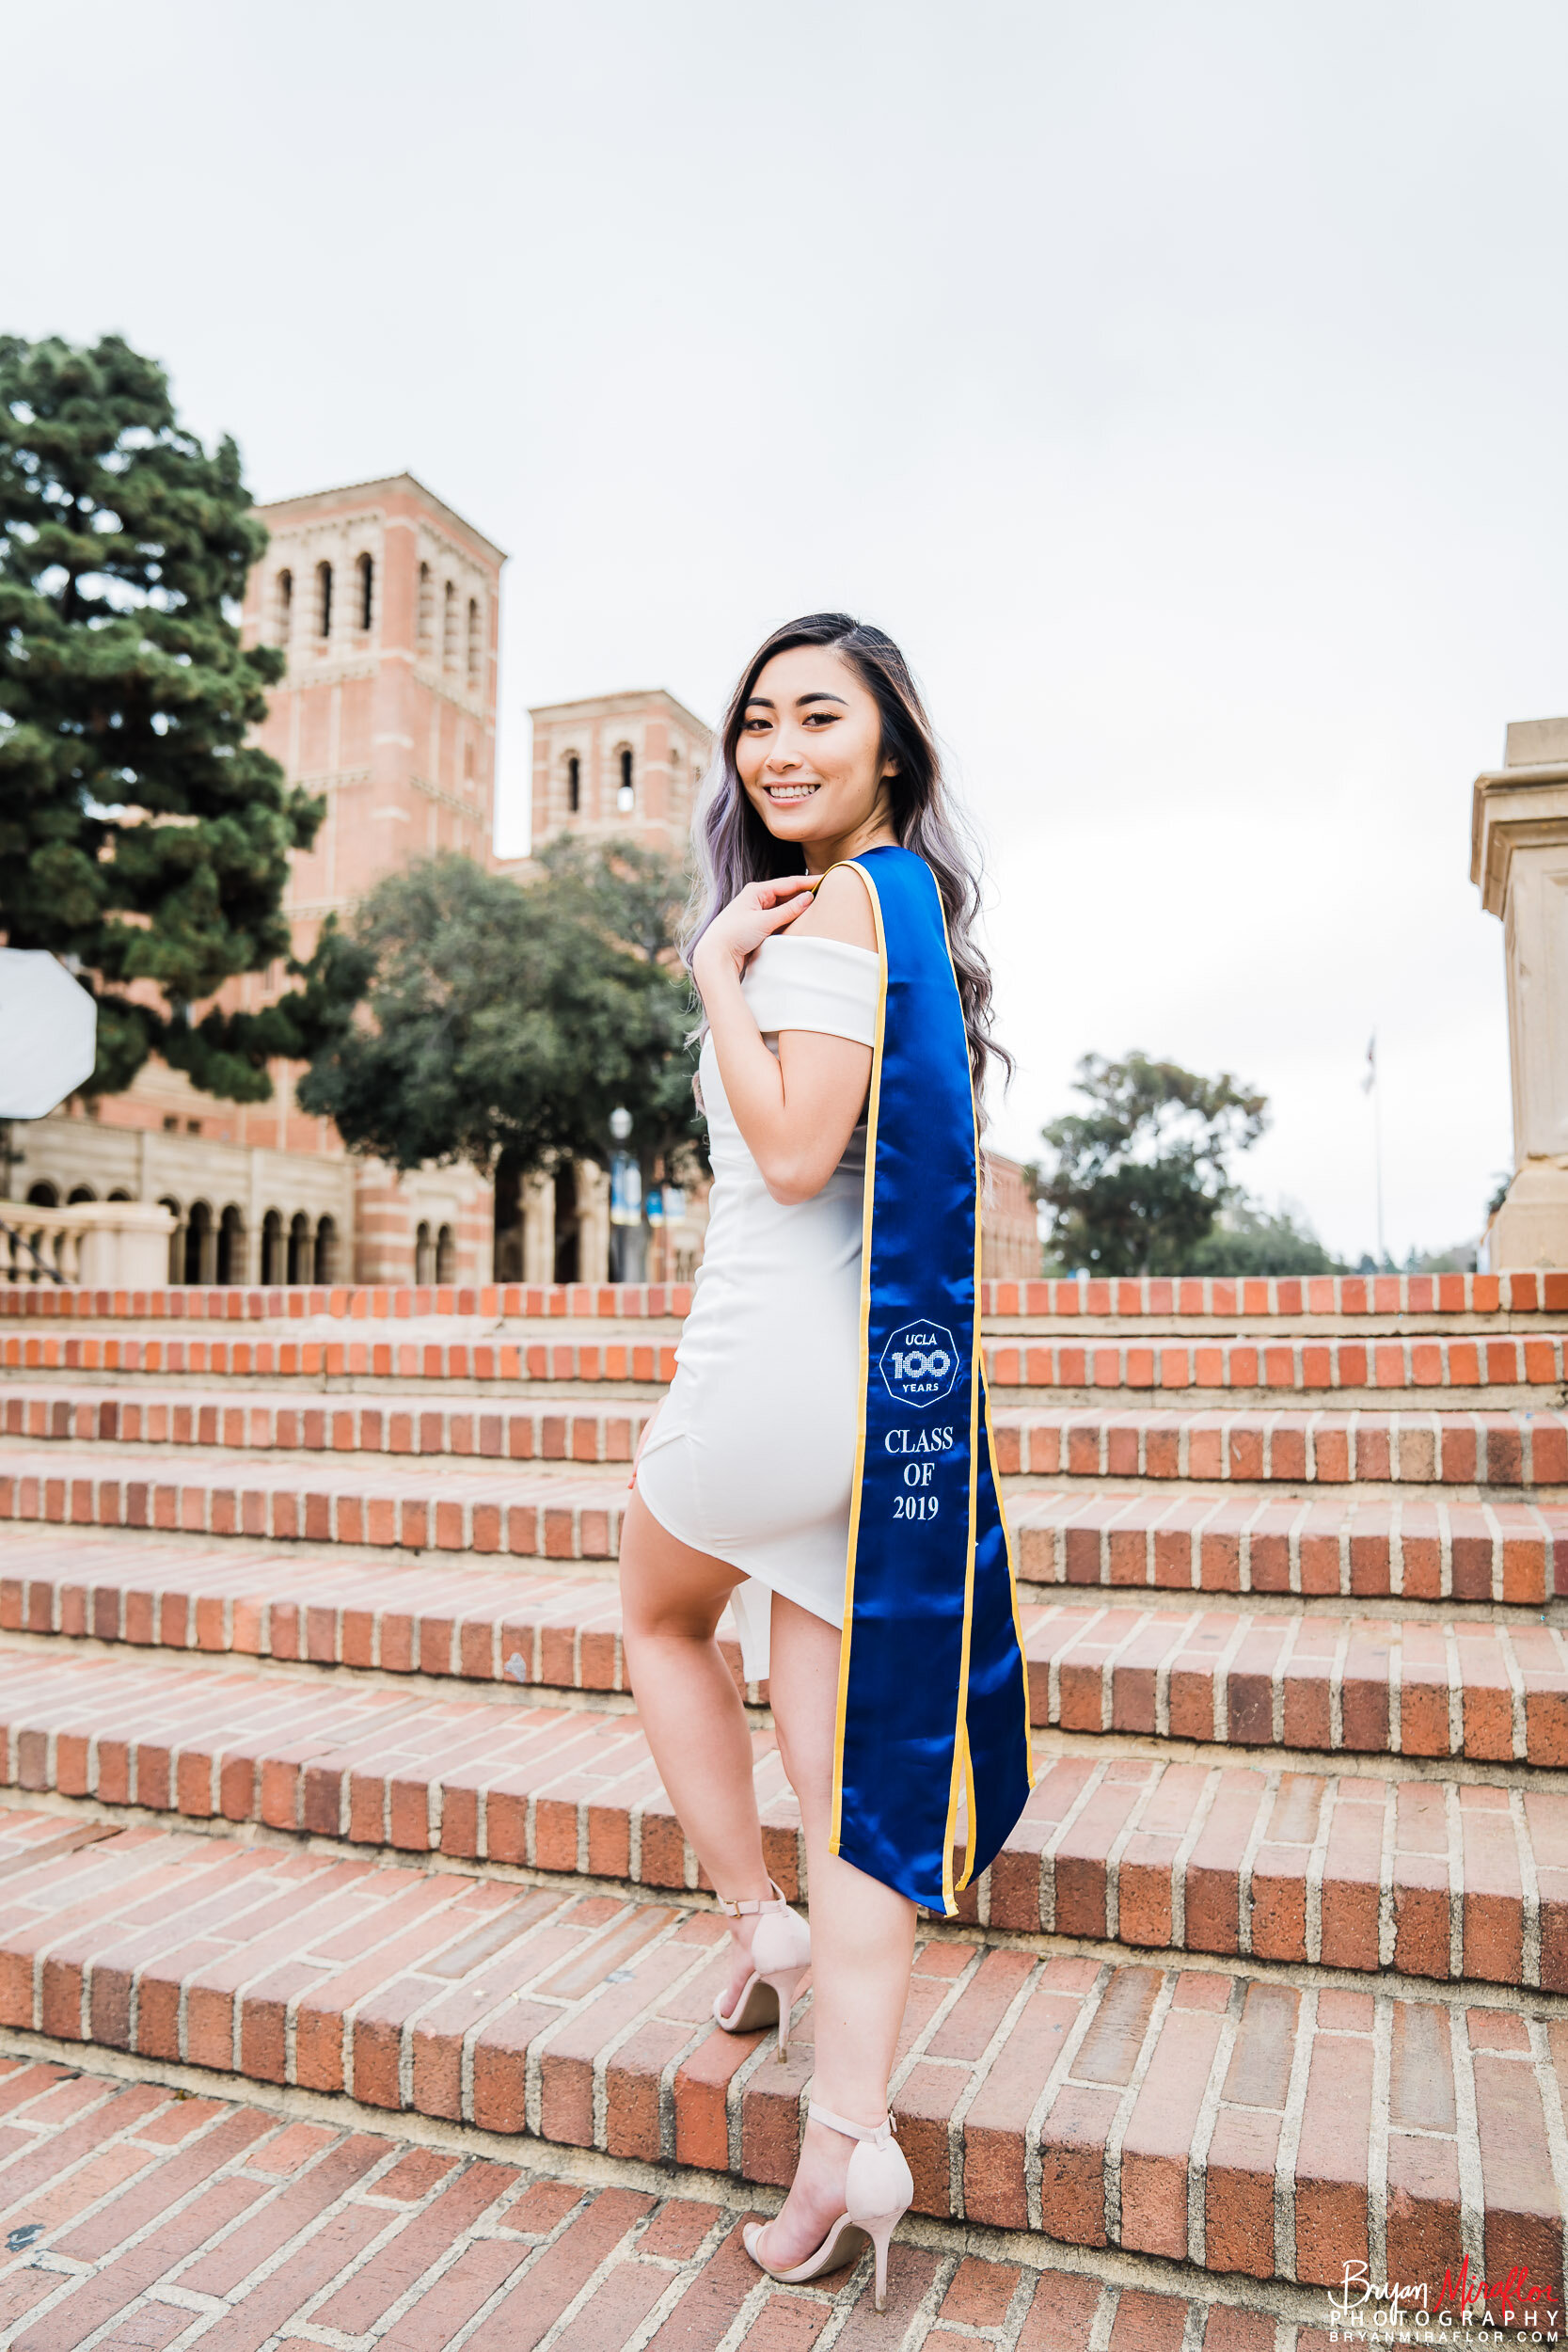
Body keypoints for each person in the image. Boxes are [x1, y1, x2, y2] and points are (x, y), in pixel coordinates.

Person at [619, 613, 1031, 2312]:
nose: (779, 750)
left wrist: (710, 971)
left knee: (652, 1617)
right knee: (850, 1778)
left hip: (771, 1369)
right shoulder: (902, 907)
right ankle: (847, 2139)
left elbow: (791, 1153)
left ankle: (749, 1919)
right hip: (877, 1394)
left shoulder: (817, 912)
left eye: (819, 718)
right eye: (756, 722)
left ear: (891, 746)